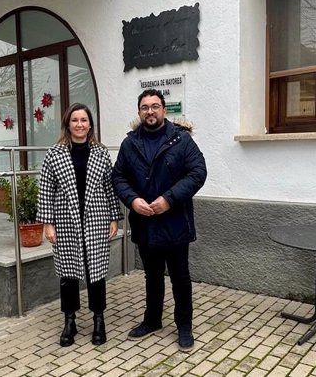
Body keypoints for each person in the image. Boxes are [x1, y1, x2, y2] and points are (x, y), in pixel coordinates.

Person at [112, 89, 207, 352]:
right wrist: (132, 200)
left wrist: (169, 199)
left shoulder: (181, 140)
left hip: (175, 221)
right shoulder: (130, 144)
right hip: (145, 223)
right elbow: (118, 177)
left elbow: (198, 172)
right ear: (139, 112)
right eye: (145, 107)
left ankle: (184, 326)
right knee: (152, 276)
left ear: (164, 110)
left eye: (155, 106)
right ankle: (152, 320)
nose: (150, 111)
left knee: (180, 277)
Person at [37, 102, 122, 347]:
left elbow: (109, 187)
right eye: (75, 120)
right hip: (65, 219)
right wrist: (48, 224)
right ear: (67, 124)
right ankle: (70, 320)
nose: (79, 125)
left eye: (84, 120)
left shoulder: (101, 152)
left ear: (90, 125)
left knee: (96, 272)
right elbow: (46, 189)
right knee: (68, 273)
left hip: (96, 217)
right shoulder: (55, 153)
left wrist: (113, 217)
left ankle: (98, 318)